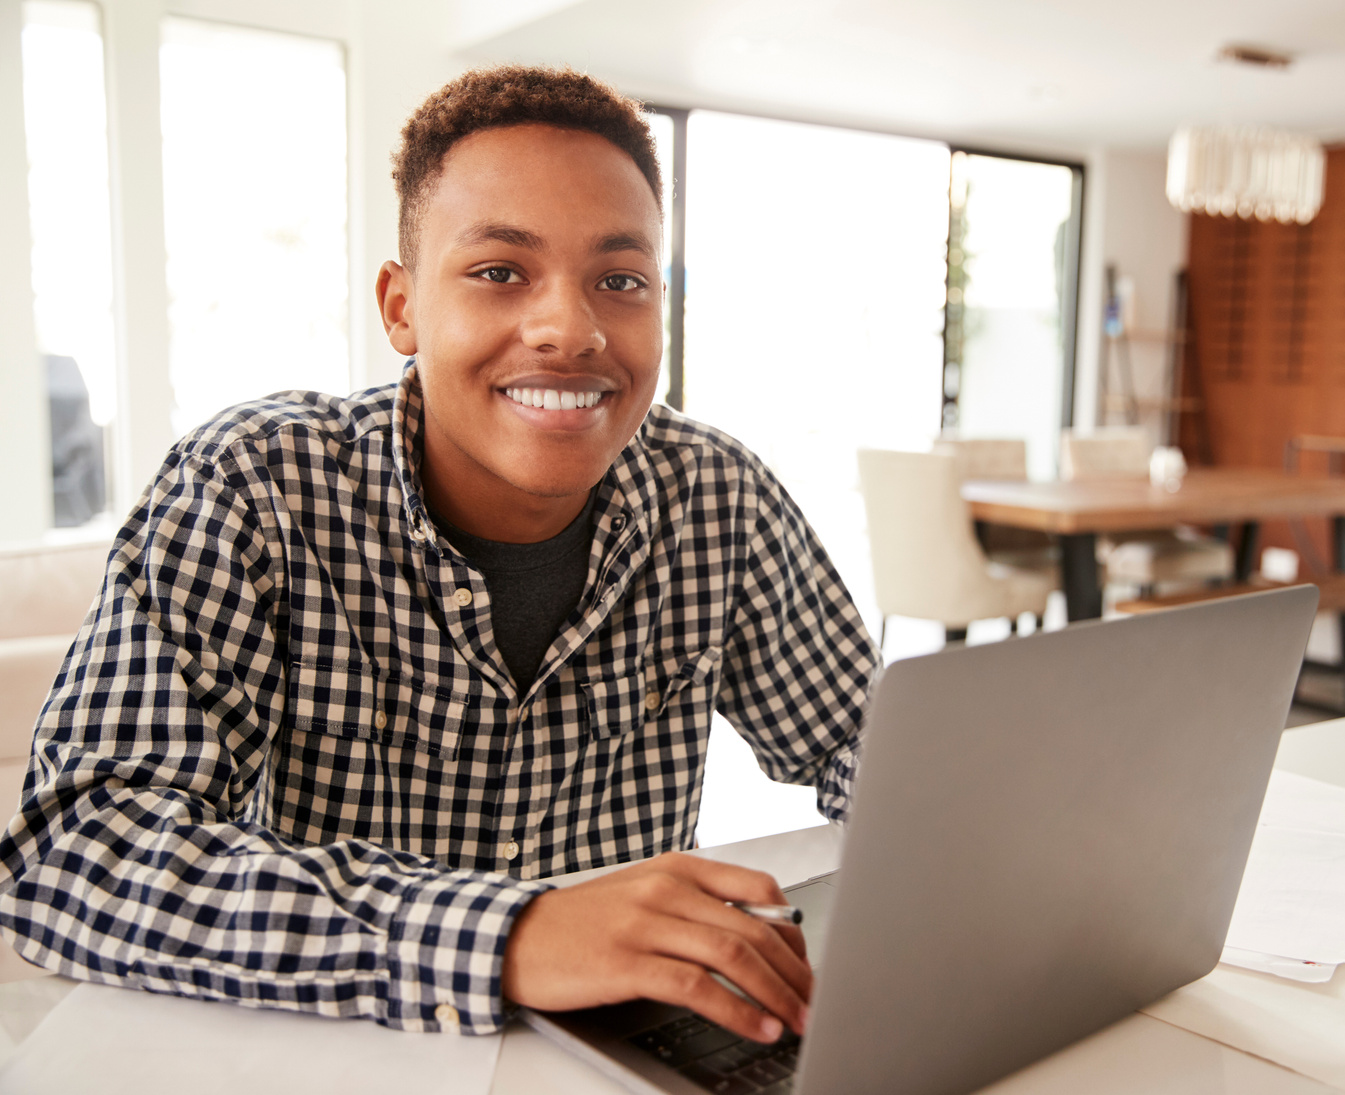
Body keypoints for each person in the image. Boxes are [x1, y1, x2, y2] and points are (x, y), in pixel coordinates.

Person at [0, 66, 878, 1046]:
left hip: (626, 1057)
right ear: (402, 306)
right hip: (338, 1050)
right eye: (500, 271)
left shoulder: (718, 496)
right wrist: (512, 934)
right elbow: (74, 853)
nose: (571, 329)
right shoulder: (252, 487)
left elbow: (870, 745)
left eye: (620, 281)